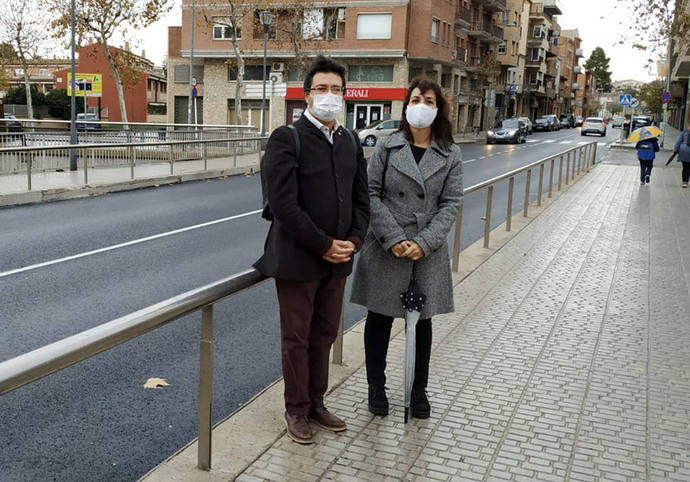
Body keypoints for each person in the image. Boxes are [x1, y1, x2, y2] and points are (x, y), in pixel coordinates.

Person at [254, 56, 369, 444]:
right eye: (321, 89)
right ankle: (297, 409)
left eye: (336, 89)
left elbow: (361, 201)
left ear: (345, 95)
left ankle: (317, 403)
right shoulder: (287, 138)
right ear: (306, 95)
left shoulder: (350, 140)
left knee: (323, 336)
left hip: (337, 260)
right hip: (299, 260)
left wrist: (352, 242)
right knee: (297, 339)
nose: (329, 96)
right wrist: (323, 244)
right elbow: (284, 206)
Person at [351, 78, 463, 419]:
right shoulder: (387, 146)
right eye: (415, 99)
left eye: (429, 100)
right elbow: (369, 193)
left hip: (426, 249)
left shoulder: (451, 152)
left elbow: (451, 202)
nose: (421, 106)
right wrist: (394, 238)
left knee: (422, 323)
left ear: (438, 108)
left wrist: (424, 242)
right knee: (380, 319)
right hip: (387, 245)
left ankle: (418, 390)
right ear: (405, 105)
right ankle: (376, 386)